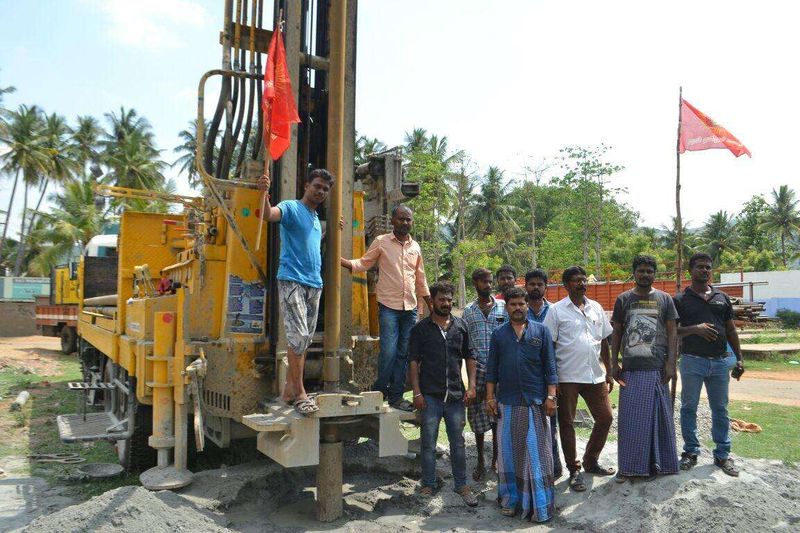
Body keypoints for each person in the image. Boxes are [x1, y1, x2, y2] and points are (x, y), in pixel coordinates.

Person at [258, 169, 334, 416]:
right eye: (317, 186)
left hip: (314, 283)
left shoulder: (313, 218)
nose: (321, 191)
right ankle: (300, 393)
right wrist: (264, 193)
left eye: (325, 189)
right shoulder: (291, 208)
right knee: (298, 335)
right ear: (306, 185)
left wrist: (331, 231)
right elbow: (268, 215)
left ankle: (289, 391)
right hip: (292, 280)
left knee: (305, 339)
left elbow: (311, 241)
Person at [342, 204, 432, 411]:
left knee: (404, 354)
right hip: (389, 307)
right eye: (401, 219)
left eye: (408, 219)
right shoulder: (381, 242)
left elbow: (420, 278)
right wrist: (342, 261)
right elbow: (364, 263)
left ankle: (395, 397)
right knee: (389, 352)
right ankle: (379, 391)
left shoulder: (415, 247)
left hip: (409, 308)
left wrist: (429, 304)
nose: (405, 223)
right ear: (392, 221)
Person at [486, 287, 557, 522]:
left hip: (535, 403)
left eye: (521, 304)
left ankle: (540, 503)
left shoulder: (541, 331)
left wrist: (551, 397)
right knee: (509, 454)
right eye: (513, 304)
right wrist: (489, 398)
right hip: (508, 403)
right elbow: (491, 370)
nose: (517, 308)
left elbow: (550, 368)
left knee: (536, 454)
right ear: (506, 307)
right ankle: (511, 499)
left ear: (527, 305)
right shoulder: (498, 335)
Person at [543, 266, 615, 492]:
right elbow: (549, 347)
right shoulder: (556, 311)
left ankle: (590, 461)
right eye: (576, 281)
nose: (581, 284)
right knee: (567, 423)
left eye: (584, 280)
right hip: (567, 377)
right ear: (566, 285)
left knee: (605, 418)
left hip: (595, 375)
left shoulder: (596, 308)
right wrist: (553, 381)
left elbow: (604, 341)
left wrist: (610, 371)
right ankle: (574, 470)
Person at [673, 252, 744, 477]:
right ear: (690, 271)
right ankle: (690, 452)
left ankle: (722, 454)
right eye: (700, 267)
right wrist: (695, 329)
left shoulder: (722, 297)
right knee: (688, 407)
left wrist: (740, 358)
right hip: (692, 361)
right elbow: (672, 330)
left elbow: (731, 329)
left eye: (708, 267)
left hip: (721, 362)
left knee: (721, 409)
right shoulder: (680, 300)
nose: (705, 270)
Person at [409, 281, 478, 506]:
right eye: (442, 299)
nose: (446, 303)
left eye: (449, 300)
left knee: (457, 443)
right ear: (433, 302)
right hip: (430, 397)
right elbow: (413, 362)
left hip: (456, 397)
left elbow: (470, 357)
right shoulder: (421, 329)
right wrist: (416, 393)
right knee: (428, 443)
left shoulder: (461, 326)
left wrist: (472, 387)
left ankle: (462, 485)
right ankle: (428, 483)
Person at [610, 255, 680, 482]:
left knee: (658, 419)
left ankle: (659, 464)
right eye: (641, 270)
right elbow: (618, 332)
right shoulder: (623, 299)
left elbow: (672, 332)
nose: (645, 275)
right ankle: (629, 467)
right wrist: (613, 363)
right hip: (631, 369)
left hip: (657, 368)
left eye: (649, 271)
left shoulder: (665, 299)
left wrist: (671, 364)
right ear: (634, 272)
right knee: (631, 422)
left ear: (654, 274)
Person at [462, 268, 506, 481]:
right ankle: (480, 459)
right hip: (477, 370)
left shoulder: (503, 308)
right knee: (478, 416)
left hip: (500, 370)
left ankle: (496, 459)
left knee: (498, 414)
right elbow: (465, 345)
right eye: (483, 282)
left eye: (490, 282)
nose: (488, 285)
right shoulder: (468, 312)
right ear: (475, 284)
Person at [525, 268, 562, 479]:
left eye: (540, 284)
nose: (536, 287)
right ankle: (531, 469)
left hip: (550, 376)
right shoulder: (518, 311)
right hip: (526, 376)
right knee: (527, 425)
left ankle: (553, 466)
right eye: (532, 284)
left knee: (551, 424)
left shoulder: (555, 311)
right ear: (526, 287)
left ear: (546, 287)